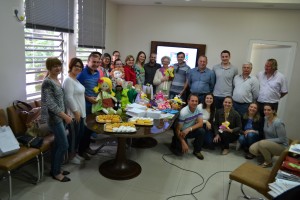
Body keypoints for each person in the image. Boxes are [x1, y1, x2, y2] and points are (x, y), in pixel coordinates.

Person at [41, 57, 72, 182]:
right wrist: (65, 116)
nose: (58, 68)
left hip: (62, 117)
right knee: (64, 145)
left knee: (58, 144)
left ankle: (55, 168)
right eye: (54, 66)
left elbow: (61, 100)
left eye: (59, 65)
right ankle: (56, 173)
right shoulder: (47, 82)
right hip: (55, 119)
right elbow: (50, 104)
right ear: (49, 68)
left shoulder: (57, 79)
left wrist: (66, 114)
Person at [77, 53, 101, 160]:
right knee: (84, 130)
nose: (95, 64)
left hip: (95, 105)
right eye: (93, 62)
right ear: (88, 62)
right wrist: (88, 98)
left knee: (90, 129)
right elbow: (77, 91)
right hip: (84, 105)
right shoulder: (81, 74)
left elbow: (98, 87)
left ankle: (87, 147)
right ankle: (81, 151)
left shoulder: (97, 73)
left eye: (97, 62)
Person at [249, 104, 289, 168]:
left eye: (269, 110)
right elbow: (263, 131)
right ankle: (268, 154)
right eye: (265, 110)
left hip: (282, 146)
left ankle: (268, 162)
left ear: (273, 111)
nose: (266, 111)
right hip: (269, 143)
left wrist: (266, 141)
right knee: (252, 149)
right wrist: (253, 131)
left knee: (262, 143)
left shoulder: (278, 123)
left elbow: (282, 139)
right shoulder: (265, 119)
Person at [63, 57, 86, 165]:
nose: (78, 68)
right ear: (71, 66)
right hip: (73, 114)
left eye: (80, 66)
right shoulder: (68, 80)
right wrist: (76, 112)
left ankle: (75, 154)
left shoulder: (75, 79)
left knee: (78, 136)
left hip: (80, 113)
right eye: (76, 66)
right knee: (73, 137)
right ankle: (71, 157)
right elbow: (68, 98)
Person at [170, 94, 205, 160]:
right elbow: (177, 129)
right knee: (179, 152)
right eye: (192, 101)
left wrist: (189, 129)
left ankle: (197, 151)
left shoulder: (199, 109)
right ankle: (175, 140)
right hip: (181, 132)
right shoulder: (184, 112)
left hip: (188, 130)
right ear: (188, 101)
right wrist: (183, 142)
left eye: (196, 101)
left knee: (201, 131)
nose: (194, 103)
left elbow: (201, 123)